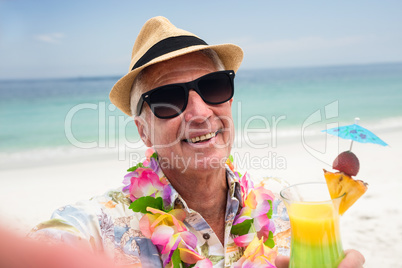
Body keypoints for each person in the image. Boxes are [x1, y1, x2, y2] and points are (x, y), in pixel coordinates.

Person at [30, 16, 365, 267]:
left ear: (230, 103)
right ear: (143, 130)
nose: (200, 112)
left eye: (214, 87)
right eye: (167, 98)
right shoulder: (101, 227)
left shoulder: (283, 205)